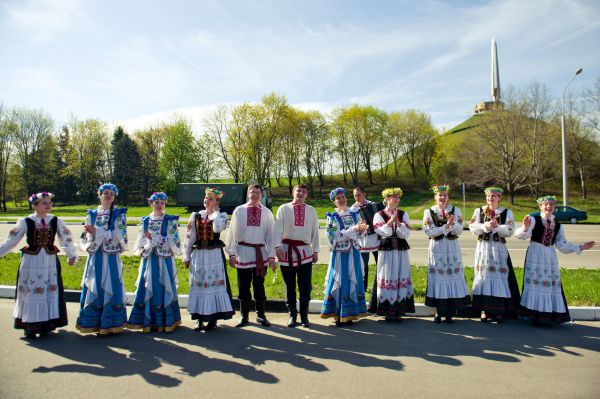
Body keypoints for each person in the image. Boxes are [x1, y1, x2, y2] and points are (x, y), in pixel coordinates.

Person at [0, 192, 77, 338]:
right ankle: (30, 325)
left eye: (50, 202)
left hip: (49, 262)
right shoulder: (26, 221)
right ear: (35, 205)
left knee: (48, 291)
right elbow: (11, 240)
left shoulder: (56, 220)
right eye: (44, 203)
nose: (48, 205)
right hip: (32, 262)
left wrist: (71, 254)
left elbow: (66, 239)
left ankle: (46, 324)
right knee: (32, 291)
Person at [515, 195, 595, 326]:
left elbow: (562, 244)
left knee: (550, 283)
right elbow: (520, 235)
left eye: (551, 205)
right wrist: (524, 227)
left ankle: (548, 315)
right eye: (545, 204)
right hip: (535, 254)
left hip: (550, 255)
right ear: (540, 206)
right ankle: (534, 315)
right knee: (535, 282)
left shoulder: (557, 225)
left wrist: (580, 247)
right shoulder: (533, 220)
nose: (548, 207)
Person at [76, 183, 128, 335]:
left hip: (110, 257)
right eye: (105, 192)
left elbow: (120, 236)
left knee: (111, 285)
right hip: (96, 256)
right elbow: (85, 236)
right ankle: (92, 323)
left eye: (111, 193)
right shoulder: (92, 214)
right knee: (95, 285)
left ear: (114, 196)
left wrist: (97, 231)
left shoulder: (119, 214)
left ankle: (111, 323)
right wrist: (91, 233)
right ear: (99, 195)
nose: (108, 195)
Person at [126, 192, 182, 333]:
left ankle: (166, 321)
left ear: (165, 205)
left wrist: (157, 239)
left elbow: (174, 241)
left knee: (163, 287)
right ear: (151, 204)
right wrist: (148, 242)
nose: (159, 205)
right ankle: (147, 320)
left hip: (164, 260)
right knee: (147, 286)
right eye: (156, 202)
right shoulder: (145, 221)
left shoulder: (170, 220)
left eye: (162, 202)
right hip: (150, 259)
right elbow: (140, 241)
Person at [225, 184, 276, 328]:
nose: (254, 195)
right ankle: (244, 316)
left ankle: (261, 315)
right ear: (248, 194)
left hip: (260, 253)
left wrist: (271, 257)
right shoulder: (239, 211)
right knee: (243, 285)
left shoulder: (267, 213)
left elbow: (271, 236)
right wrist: (232, 253)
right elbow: (233, 232)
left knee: (259, 286)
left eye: (257, 193)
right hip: (243, 252)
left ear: (262, 195)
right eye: (252, 192)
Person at [184, 188, 234, 332]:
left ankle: (213, 319)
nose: (207, 200)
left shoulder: (222, 216)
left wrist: (215, 213)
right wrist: (186, 255)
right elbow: (190, 237)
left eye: (211, 199)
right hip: (199, 256)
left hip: (214, 256)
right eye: (206, 198)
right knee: (199, 285)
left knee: (213, 286)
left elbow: (218, 228)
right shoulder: (195, 216)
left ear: (217, 202)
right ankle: (199, 318)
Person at [469, 187, 520, 323]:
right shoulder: (479, 211)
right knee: (483, 276)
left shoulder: (506, 212)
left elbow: (509, 230)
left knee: (499, 277)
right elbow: (473, 227)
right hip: (484, 248)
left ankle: (499, 311)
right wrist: (485, 226)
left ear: (499, 198)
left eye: (493, 196)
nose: (490, 198)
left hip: (498, 248)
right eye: (488, 196)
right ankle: (484, 310)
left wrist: (497, 227)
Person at [422, 185, 470, 323]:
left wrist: (452, 225)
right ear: (435, 197)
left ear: (448, 197)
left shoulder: (455, 210)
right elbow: (428, 231)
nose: (442, 198)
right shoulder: (429, 211)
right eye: (440, 195)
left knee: (451, 276)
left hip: (451, 247)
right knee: (438, 277)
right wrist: (445, 227)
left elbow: (460, 230)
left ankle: (450, 312)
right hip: (437, 248)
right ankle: (439, 312)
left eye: (445, 195)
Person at [274, 184, 320, 328]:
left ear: (306, 195)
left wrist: (316, 250)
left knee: (305, 286)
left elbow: (315, 231)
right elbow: (277, 229)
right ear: (293, 192)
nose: (300, 193)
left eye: (304, 191)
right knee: (290, 286)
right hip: (286, 251)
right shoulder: (283, 208)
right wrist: (277, 246)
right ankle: (292, 315)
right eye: (298, 190)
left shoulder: (311, 211)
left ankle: (304, 316)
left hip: (305, 252)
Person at [321, 187, 369, 327]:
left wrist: (360, 231)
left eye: (343, 197)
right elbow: (333, 238)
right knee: (341, 282)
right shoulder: (332, 217)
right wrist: (353, 230)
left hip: (353, 253)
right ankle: (338, 314)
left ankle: (351, 313)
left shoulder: (354, 214)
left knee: (353, 281)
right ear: (334, 202)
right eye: (338, 199)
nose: (342, 200)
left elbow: (360, 232)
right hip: (340, 255)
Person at [372, 187, 415, 322]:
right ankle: (388, 311)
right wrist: (390, 223)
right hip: (387, 250)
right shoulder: (379, 214)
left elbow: (405, 234)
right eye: (392, 196)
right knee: (388, 275)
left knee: (401, 274)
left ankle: (399, 311)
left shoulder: (403, 214)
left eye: (397, 197)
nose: (395, 199)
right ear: (386, 199)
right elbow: (384, 232)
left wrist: (398, 223)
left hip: (400, 250)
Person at [350, 186, 383, 313]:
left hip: (375, 240)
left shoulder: (373, 205)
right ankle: (361, 299)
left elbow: (380, 218)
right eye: (355, 195)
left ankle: (377, 297)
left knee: (380, 267)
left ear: (364, 194)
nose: (357, 197)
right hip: (362, 242)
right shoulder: (353, 209)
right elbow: (353, 225)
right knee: (363, 270)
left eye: (359, 194)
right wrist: (359, 226)